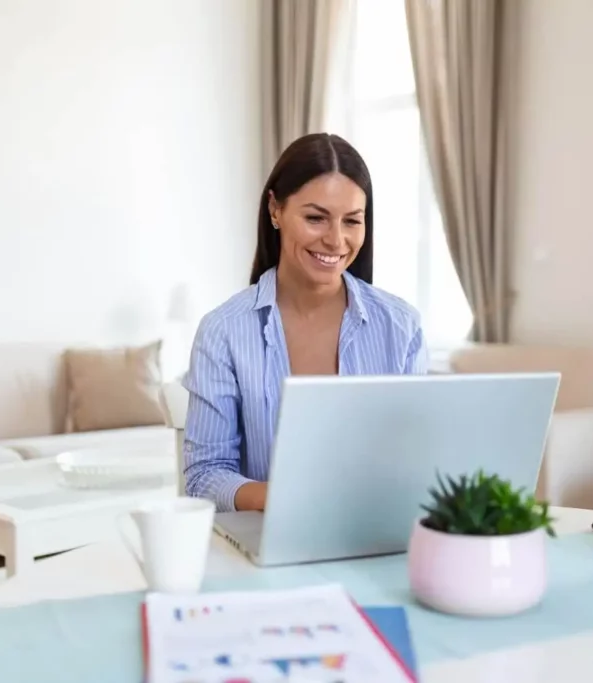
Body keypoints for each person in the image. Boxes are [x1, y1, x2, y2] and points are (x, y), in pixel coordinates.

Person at [183, 133, 428, 512]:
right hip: (266, 547)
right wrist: (290, 498)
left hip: (378, 540)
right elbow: (204, 476)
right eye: (316, 218)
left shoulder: (402, 327)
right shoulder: (223, 331)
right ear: (275, 210)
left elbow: (415, 461)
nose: (336, 240)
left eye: (352, 221)